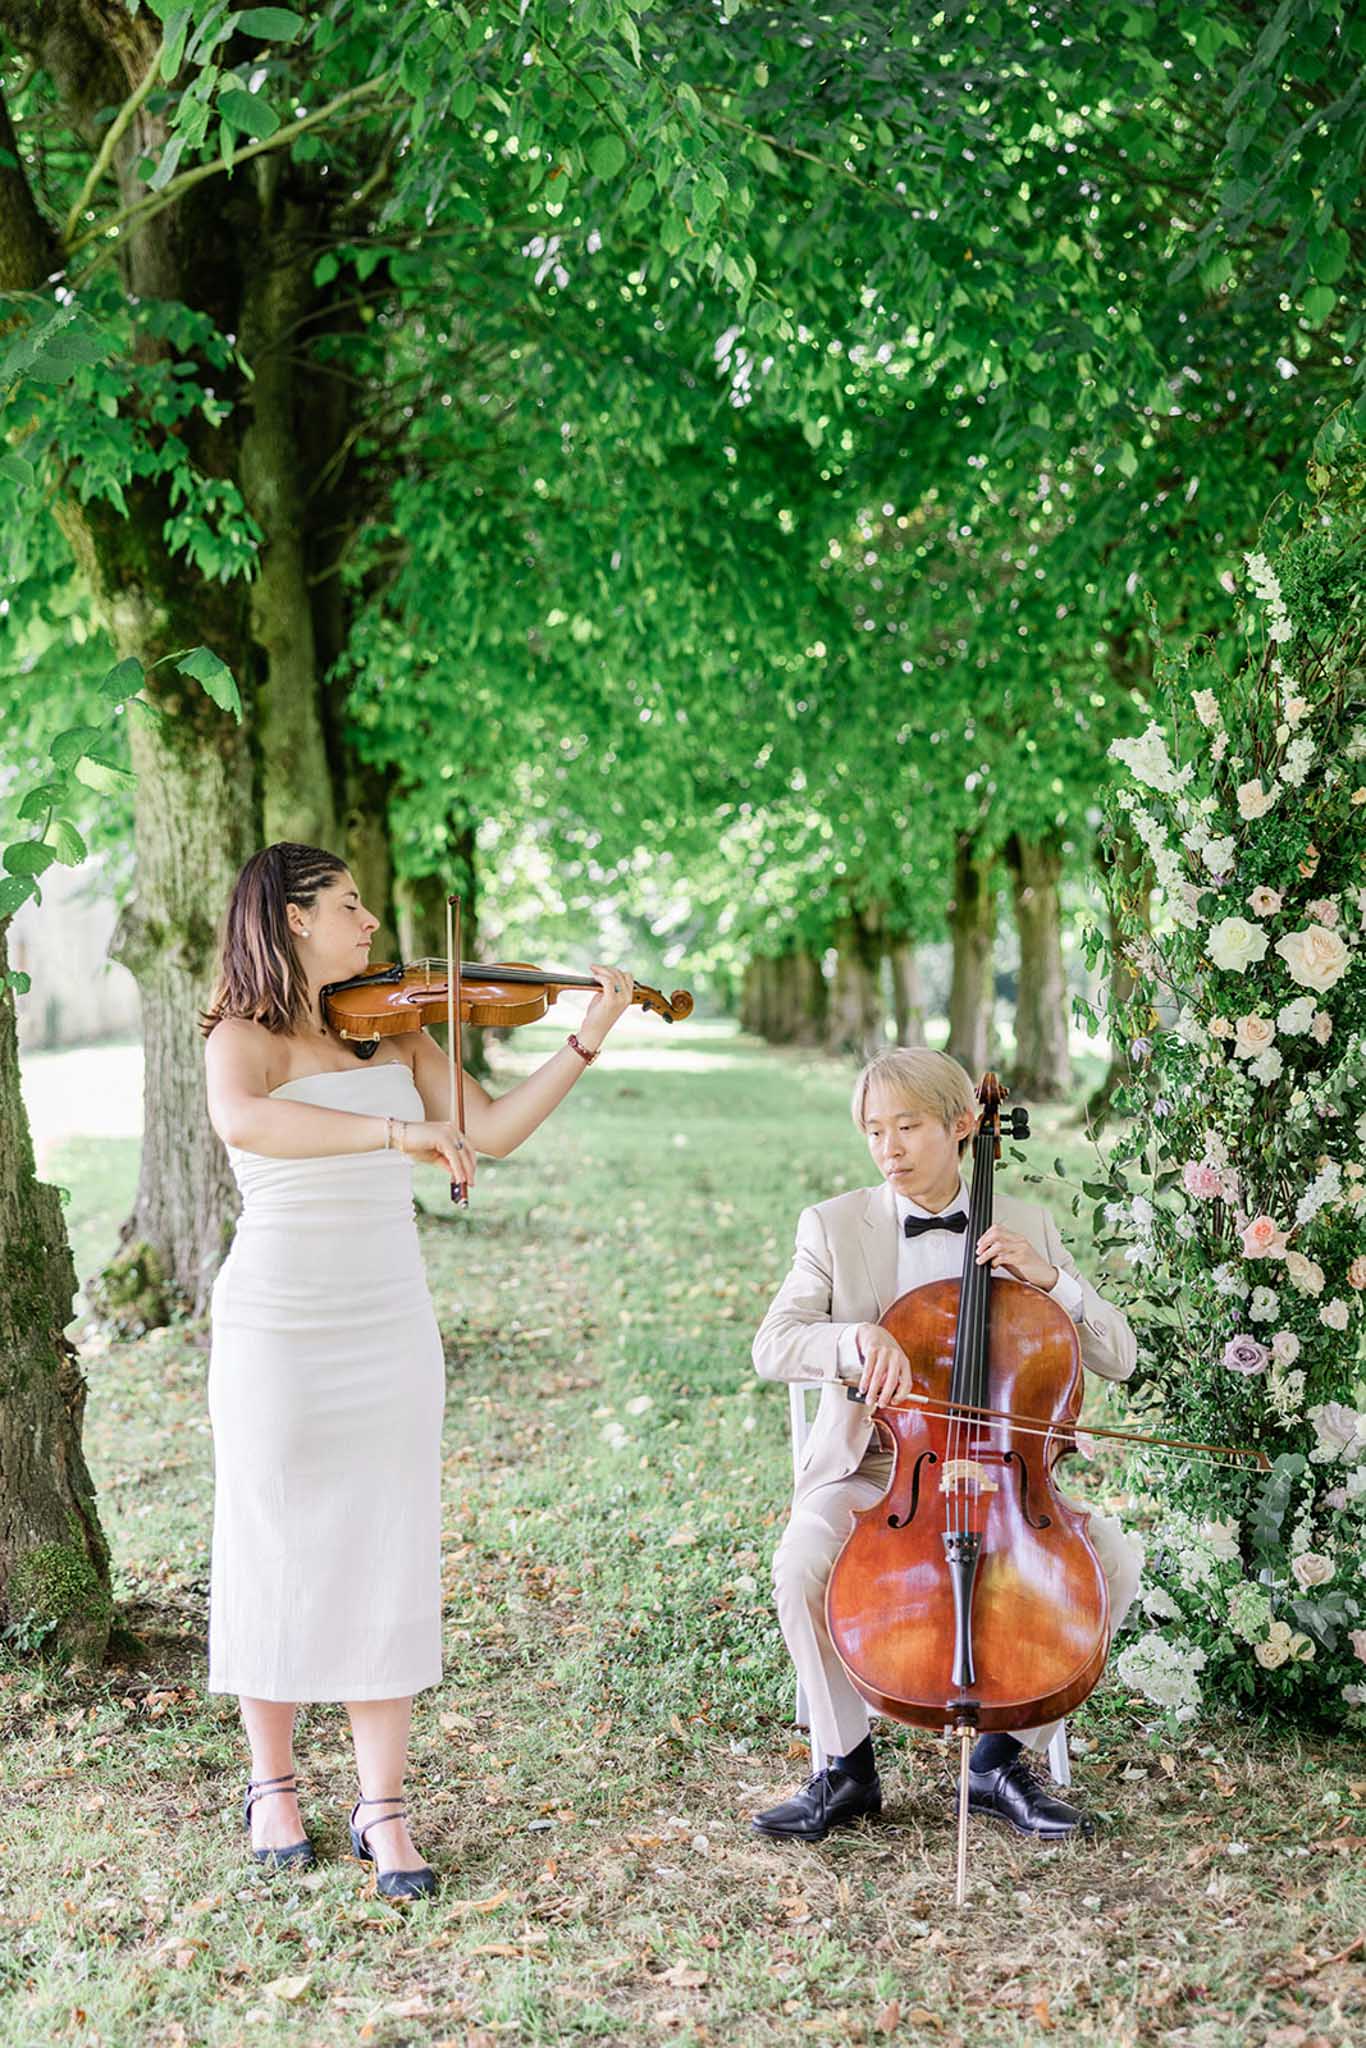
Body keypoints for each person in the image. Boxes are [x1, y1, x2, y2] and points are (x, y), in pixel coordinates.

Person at [202, 841, 634, 1897]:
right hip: (279, 1319)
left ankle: (383, 1804)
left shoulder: (395, 1019)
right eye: (350, 904)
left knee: (386, 1542)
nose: (371, 924)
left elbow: (490, 1129)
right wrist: (395, 1127)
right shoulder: (239, 1036)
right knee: (271, 1528)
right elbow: (243, 1120)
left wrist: (585, 1035)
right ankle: (273, 1781)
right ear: (294, 917)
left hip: (386, 1316)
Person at [750, 1047, 1142, 1845]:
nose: (888, 1149)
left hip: (1007, 1480)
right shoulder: (832, 1225)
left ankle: (1000, 1761)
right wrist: (856, 1341)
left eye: (908, 1127)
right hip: (878, 1474)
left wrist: (1054, 1284)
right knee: (800, 1563)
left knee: (1116, 1559)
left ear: (963, 1127)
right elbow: (775, 1345)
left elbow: (1118, 1356)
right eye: (873, 1131)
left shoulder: (1025, 1225)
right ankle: (845, 1768)